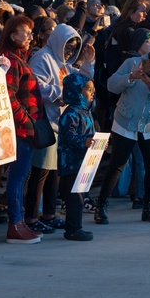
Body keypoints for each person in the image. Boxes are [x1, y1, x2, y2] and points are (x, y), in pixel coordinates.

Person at [94, 27, 150, 224]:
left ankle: (149, 206)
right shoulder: (132, 62)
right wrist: (130, 77)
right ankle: (101, 204)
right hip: (125, 121)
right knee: (117, 164)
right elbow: (111, 84)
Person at [28, 23, 95, 232]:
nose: (69, 52)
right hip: (46, 122)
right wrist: (61, 92)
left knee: (55, 173)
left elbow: (81, 82)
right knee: (41, 173)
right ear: (58, 41)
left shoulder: (64, 63)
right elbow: (36, 86)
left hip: (60, 124)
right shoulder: (43, 57)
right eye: (67, 46)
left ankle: (48, 214)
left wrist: (87, 62)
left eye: (73, 49)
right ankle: (31, 217)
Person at [0, 15, 44, 245]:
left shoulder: (17, 58)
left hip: (24, 128)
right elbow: (8, 96)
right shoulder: (10, 61)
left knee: (20, 178)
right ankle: (15, 225)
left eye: (31, 33)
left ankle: (19, 223)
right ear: (13, 34)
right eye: (25, 32)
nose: (30, 36)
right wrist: (26, 121)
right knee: (17, 178)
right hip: (19, 130)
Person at [57, 74, 95, 240]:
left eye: (93, 90)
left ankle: (75, 227)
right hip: (70, 163)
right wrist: (84, 141)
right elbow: (67, 136)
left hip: (82, 163)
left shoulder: (85, 111)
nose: (92, 93)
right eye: (88, 89)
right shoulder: (71, 113)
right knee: (74, 199)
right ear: (76, 91)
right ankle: (72, 230)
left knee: (80, 196)